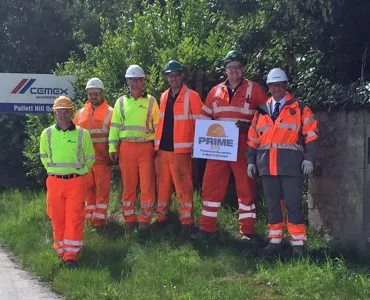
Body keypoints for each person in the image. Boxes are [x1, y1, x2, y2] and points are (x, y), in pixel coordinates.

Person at [191, 50, 268, 241]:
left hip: (243, 144)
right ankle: (207, 228)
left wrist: (249, 125)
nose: (233, 71)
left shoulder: (254, 90)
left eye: (237, 67)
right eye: (230, 67)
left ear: (243, 69)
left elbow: (267, 118)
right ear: (225, 70)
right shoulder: (215, 92)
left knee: (246, 187)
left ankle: (247, 232)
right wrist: (202, 142)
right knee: (211, 184)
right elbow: (203, 119)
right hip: (218, 145)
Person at [247, 68, 319, 255]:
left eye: (280, 84)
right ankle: (275, 239)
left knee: (293, 203)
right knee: (272, 204)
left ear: (286, 86)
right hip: (266, 166)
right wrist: (250, 162)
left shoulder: (300, 108)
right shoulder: (261, 111)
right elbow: (252, 139)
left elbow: (311, 135)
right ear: (269, 87)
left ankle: (297, 243)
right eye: (273, 85)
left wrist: (309, 159)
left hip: (290, 166)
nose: (276, 88)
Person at [40, 96, 95, 267]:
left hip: (75, 182)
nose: (62, 115)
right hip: (55, 181)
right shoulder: (47, 134)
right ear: (54, 113)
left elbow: (90, 157)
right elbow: (43, 156)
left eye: (66, 112)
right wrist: (54, 171)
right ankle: (60, 249)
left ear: (71, 112)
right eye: (59, 112)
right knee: (56, 216)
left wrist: (81, 172)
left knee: (74, 217)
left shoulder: (82, 134)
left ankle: (71, 254)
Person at [153, 60, 203, 238]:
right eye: (170, 76)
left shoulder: (192, 96)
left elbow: (200, 124)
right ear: (167, 77)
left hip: (181, 151)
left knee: (183, 187)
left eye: (176, 75)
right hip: (163, 150)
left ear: (182, 75)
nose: (173, 78)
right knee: (163, 185)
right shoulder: (164, 96)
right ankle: (161, 218)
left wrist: (197, 148)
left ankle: (187, 223)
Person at [108, 65, 160, 232]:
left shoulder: (152, 101)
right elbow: (114, 126)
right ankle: (129, 220)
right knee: (129, 185)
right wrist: (112, 147)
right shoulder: (120, 102)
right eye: (131, 79)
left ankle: (145, 220)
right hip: (126, 147)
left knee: (147, 185)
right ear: (127, 81)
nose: (135, 83)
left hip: (146, 147)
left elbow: (158, 127)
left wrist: (157, 148)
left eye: (138, 79)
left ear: (143, 81)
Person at [74, 78, 113, 230]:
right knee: (88, 192)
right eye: (90, 94)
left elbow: (114, 136)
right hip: (85, 161)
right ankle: (89, 221)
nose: (93, 97)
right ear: (87, 94)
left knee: (102, 193)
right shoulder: (80, 113)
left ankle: (100, 223)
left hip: (103, 160)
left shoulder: (110, 112)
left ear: (102, 93)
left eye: (96, 93)